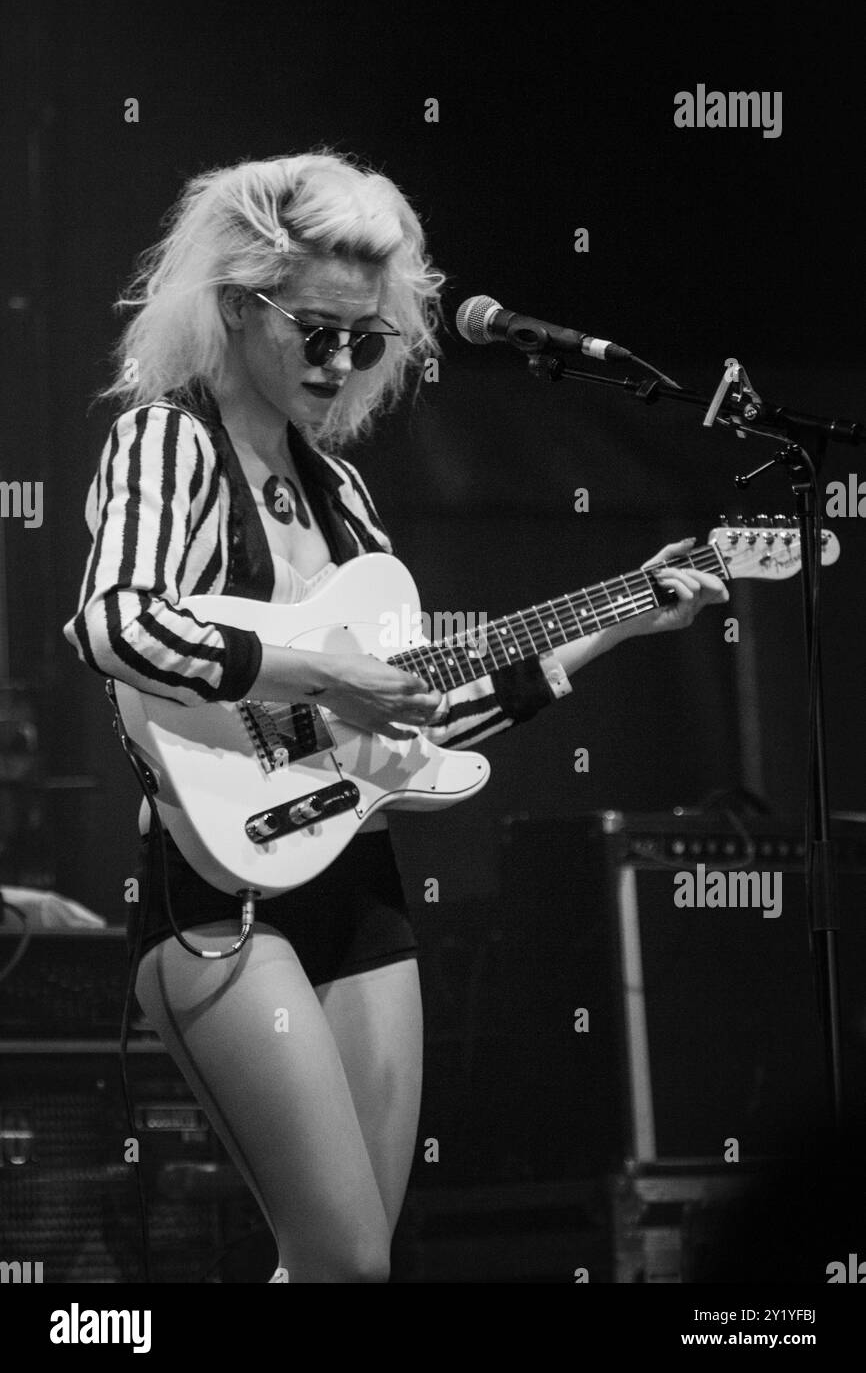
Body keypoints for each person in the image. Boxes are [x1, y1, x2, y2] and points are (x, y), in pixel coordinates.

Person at [62, 150, 727, 1283]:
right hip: (220, 896)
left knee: (350, 1273)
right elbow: (114, 626)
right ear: (235, 305)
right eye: (315, 329)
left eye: (365, 340)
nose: (337, 361)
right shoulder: (168, 441)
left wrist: (623, 617)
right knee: (342, 1257)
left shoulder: (344, 491)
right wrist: (323, 675)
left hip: (358, 887)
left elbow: (412, 727)